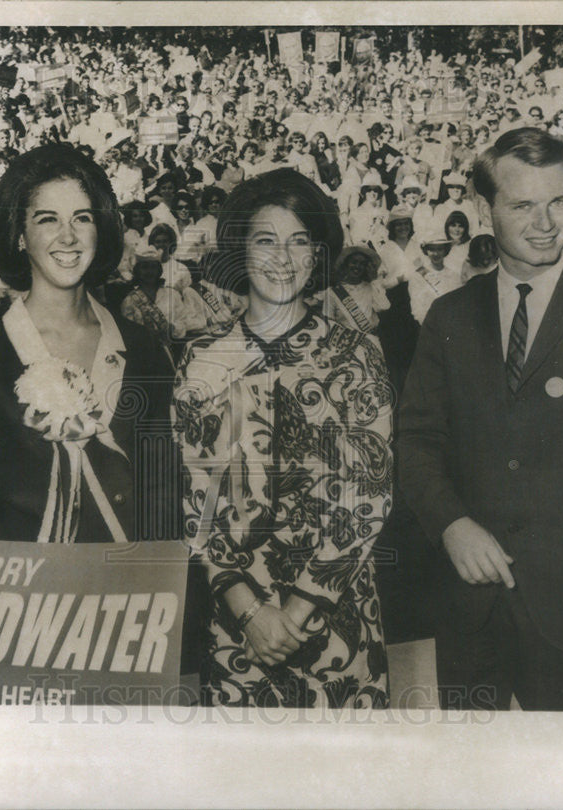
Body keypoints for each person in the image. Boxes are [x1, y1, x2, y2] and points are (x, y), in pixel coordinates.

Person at [397, 127, 563, 711]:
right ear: (483, 210)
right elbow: (415, 441)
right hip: (470, 610)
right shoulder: (448, 316)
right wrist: (451, 524)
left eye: (559, 202)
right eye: (522, 205)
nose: (545, 222)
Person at [173, 168, 392, 708]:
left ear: (318, 255)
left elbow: (367, 498)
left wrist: (295, 613)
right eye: (265, 241)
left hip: (337, 623)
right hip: (235, 630)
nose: (283, 258)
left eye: (299, 242)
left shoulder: (355, 353)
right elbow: (194, 501)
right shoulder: (201, 358)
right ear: (240, 252)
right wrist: (249, 612)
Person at [0, 143, 178, 544]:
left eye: (82, 218)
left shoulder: (143, 348)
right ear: (19, 235)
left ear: (100, 230)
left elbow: (163, 488)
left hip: (134, 590)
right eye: (48, 219)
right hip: (30, 596)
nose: (68, 237)